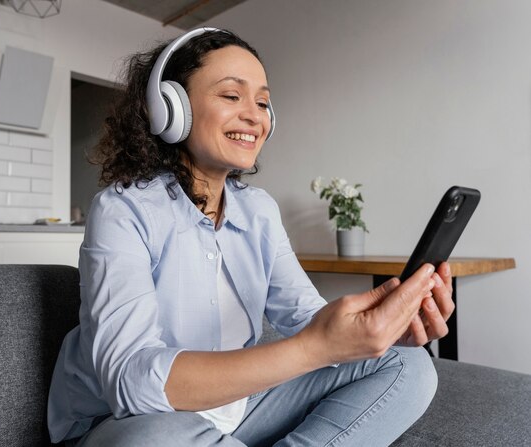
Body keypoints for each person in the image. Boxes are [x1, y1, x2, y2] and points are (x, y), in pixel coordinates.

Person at [48, 28, 454, 447]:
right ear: (170, 108)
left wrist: (372, 331)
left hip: (238, 408)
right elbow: (132, 383)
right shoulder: (122, 210)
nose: (255, 116)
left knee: (408, 364)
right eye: (231, 96)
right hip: (131, 422)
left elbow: (305, 317)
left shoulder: (258, 210)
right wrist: (314, 349)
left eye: (262, 102)